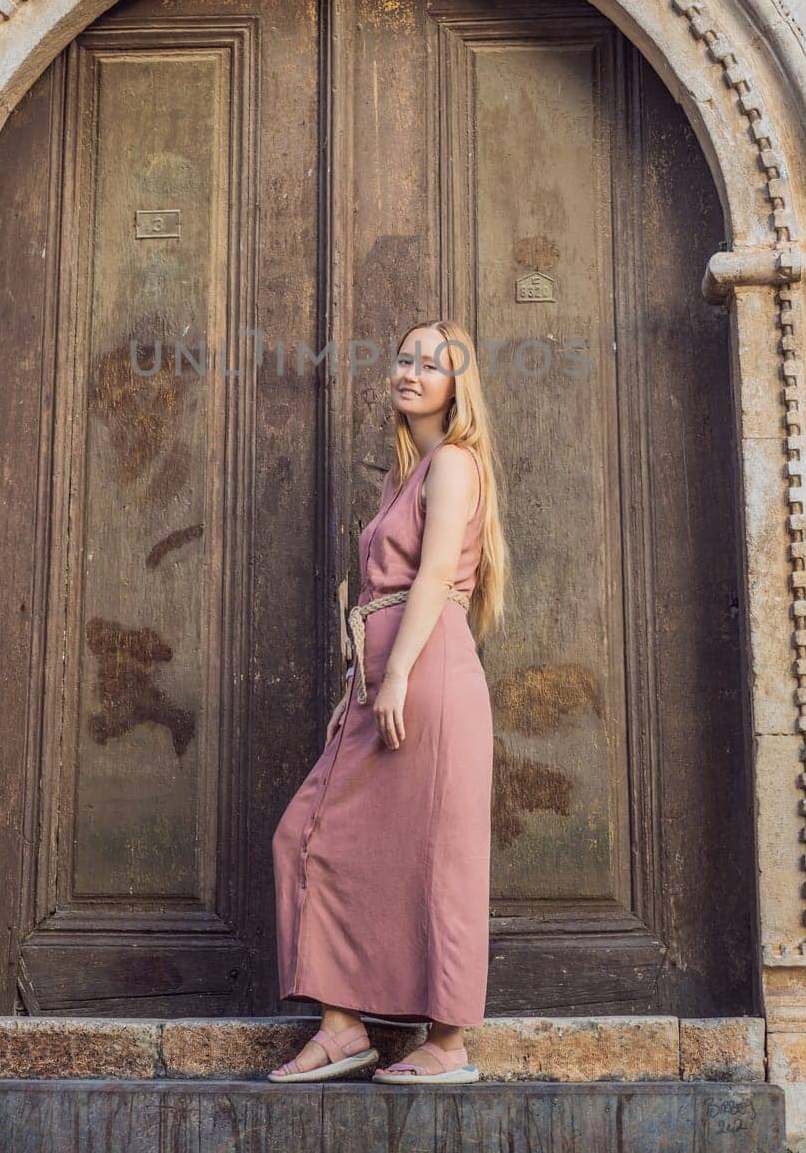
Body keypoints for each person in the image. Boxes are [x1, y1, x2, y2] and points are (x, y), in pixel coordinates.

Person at [268, 316, 508, 1084]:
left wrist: (396, 674)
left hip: (426, 669)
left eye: (431, 364)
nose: (410, 372)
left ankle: (447, 1044)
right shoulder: (407, 470)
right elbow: (378, 595)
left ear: (454, 385)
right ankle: (343, 1028)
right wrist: (357, 688)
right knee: (308, 835)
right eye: (402, 357)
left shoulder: (455, 464)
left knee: (439, 858)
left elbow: (434, 579)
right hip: (386, 673)